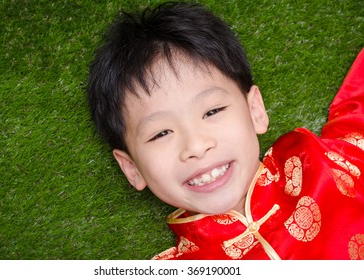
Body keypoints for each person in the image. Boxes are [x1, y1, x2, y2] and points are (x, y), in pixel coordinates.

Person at [87, 2, 364, 259]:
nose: (196, 146)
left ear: (255, 110)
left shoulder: (329, 158)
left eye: (212, 111)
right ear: (132, 168)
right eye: (161, 133)